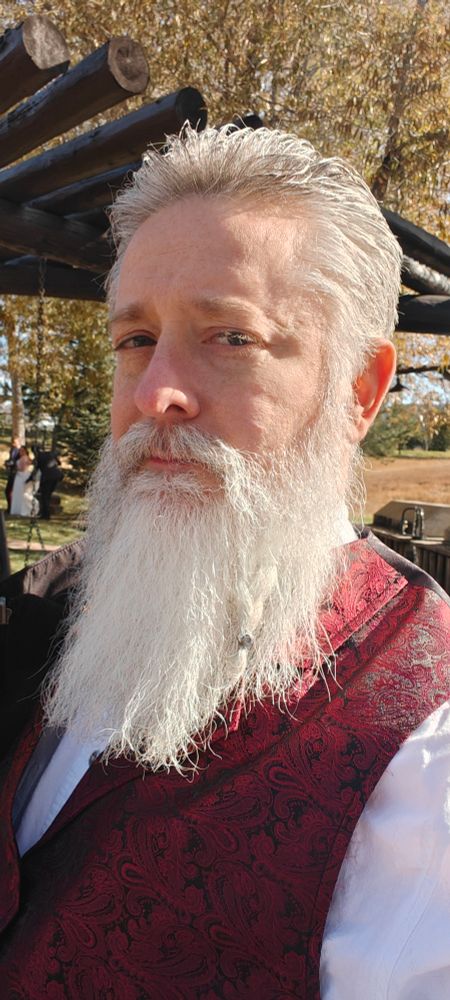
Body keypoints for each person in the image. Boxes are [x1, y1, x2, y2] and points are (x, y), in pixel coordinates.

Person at [0, 126, 449, 1000]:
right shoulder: (57, 608)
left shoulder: (428, 760)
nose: (155, 391)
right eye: (136, 338)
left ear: (358, 389)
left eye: (231, 338)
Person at [9, 446, 38, 517]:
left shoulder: (25, 457)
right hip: (19, 476)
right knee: (17, 492)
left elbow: (23, 468)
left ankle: (23, 509)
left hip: (23, 475)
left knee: (22, 492)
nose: (20, 452)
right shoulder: (21, 458)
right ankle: (17, 509)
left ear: (25, 451)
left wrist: (16, 467)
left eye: (22, 451)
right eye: (20, 451)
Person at [4, 435, 21, 513]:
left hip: (15, 472)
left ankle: (11, 508)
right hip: (14, 472)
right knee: (9, 491)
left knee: (10, 491)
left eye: (14, 442)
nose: (13, 444)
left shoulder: (17, 451)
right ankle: (10, 507)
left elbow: (14, 461)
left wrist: (9, 464)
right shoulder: (15, 450)